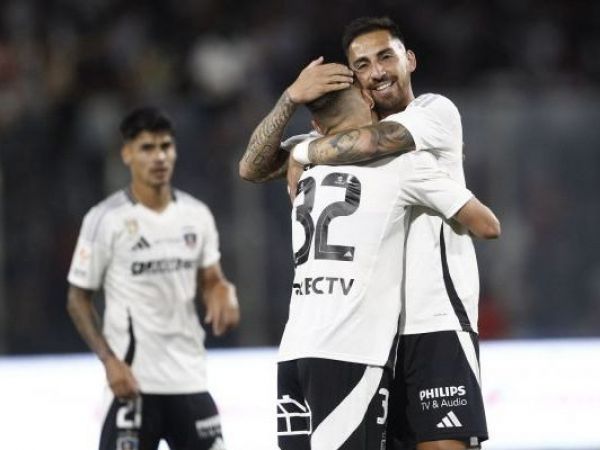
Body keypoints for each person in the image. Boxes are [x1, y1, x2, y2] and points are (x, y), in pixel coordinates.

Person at [240, 16, 496, 450]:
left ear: (409, 60)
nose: (376, 71)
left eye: (385, 57)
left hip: (434, 320)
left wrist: (303, 151)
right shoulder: (334, 143)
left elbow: (376, 142)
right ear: (355, 81)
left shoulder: (432, 112)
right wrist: (289, 98)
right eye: (362, 64)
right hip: (369, 336)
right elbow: (251, 167)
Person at [67, 107, 239, 450]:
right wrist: (109, 362)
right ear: (127, 154)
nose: (159, 157)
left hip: (189, 379)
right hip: (134, 384)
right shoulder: (105, 219)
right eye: (147, 148)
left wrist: (222, 290)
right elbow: (77, 298)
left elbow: (211, 277)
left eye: (165, 146)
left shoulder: (196, 214)